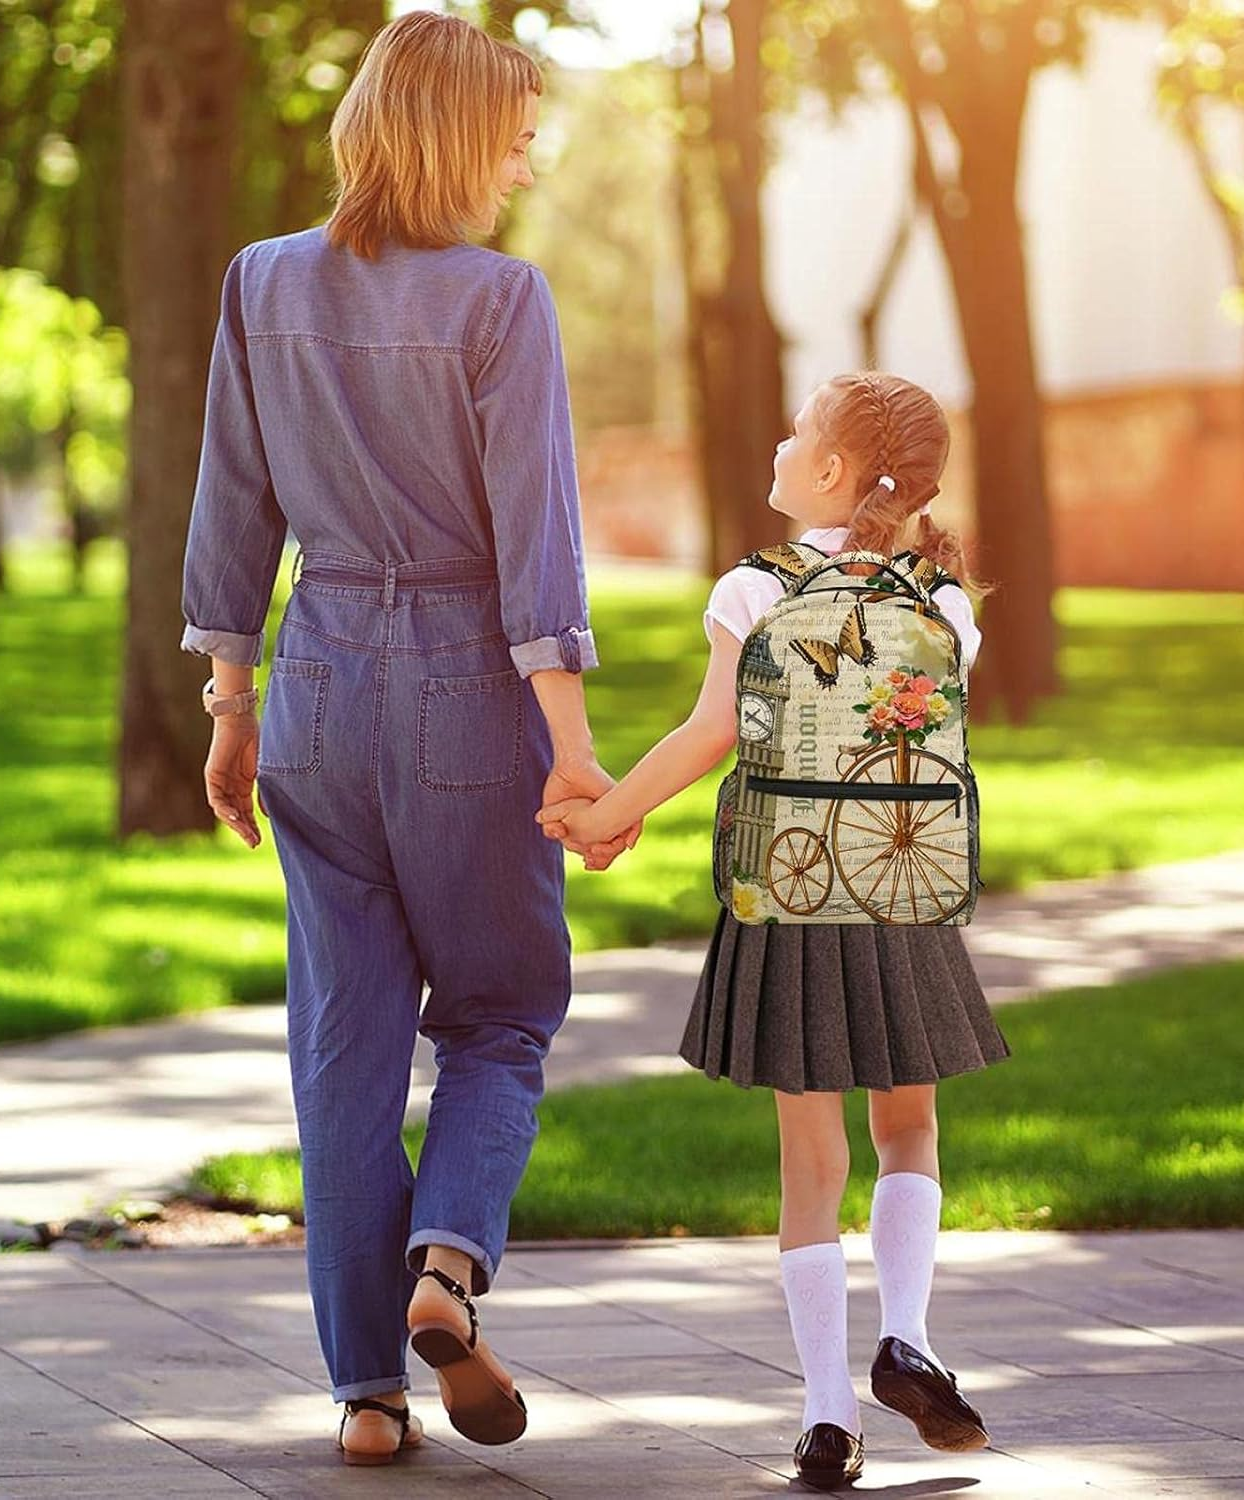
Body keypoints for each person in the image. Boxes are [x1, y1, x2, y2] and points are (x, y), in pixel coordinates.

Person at [179, 12, 637, 1467]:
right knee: (502, 1013)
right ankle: (448, 1266)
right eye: (513, 140)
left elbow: (232, 506)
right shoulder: (503, 300)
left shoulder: (260, 281)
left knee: (346, 1045)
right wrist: (574, 749)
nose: (523, 166)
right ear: (452, 139)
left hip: (315, 683)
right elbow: (537, 545)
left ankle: (366, 1395)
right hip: (465, 689)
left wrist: (232, 706)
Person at [539, 372, 1011, 1491]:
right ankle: (909, 1336)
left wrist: (607, 816)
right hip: (900, 889)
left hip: (787, 897)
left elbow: (711, 731)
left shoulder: (755, 588)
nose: (779, 448)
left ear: (834, 470)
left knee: (811, 1163)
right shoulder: (945, 602)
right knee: (909, 1130)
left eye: (796, 434)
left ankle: (826, 1414)